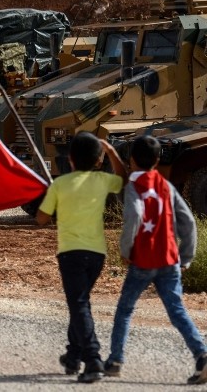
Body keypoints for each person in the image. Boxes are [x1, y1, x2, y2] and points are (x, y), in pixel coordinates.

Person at [103, 135, 207, 385]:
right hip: (169, 259)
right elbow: (189, 223)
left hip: (143, 261)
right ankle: (202, 356)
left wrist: (126, 251)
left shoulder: (133, 188)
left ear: (132, 160)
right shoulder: (166, 186)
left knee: (126, 309)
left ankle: (115, 360)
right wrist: (186, 256)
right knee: (177, 310)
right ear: (158, 159)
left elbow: (135, 216)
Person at [36, 131, 127, 383]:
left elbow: (41, 219)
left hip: (71, 254)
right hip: (97, 254)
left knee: (79, 305)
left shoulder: (61, 184)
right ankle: (73, 356)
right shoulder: (102, 180)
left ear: (71, 159)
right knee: (81, 303)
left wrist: (51, 197)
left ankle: (93, 358)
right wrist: (111, 151)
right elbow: (123, 178)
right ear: (98, 160)